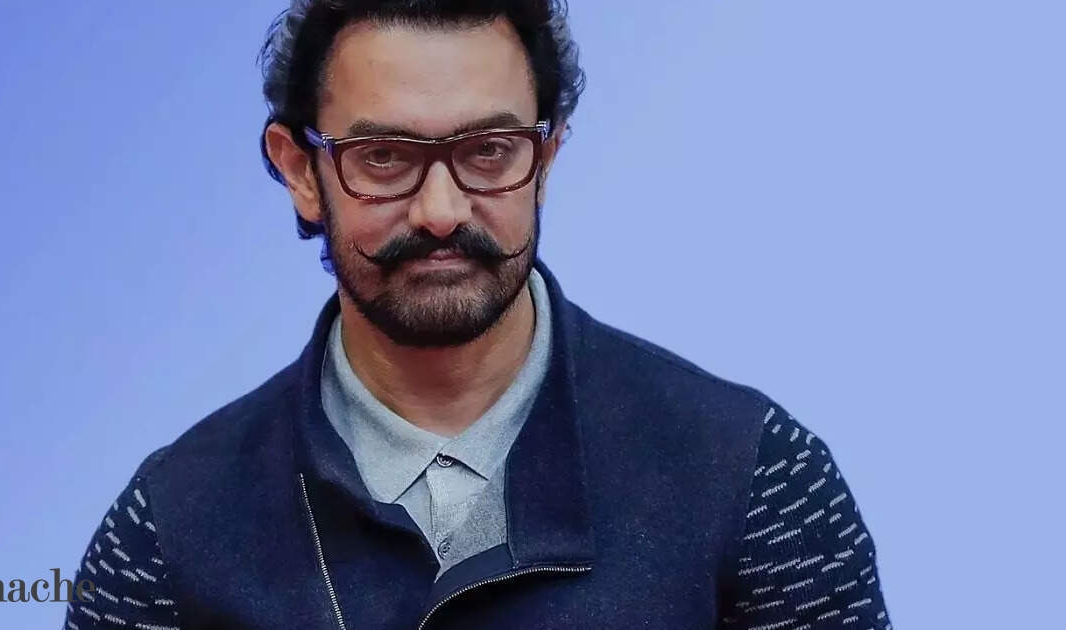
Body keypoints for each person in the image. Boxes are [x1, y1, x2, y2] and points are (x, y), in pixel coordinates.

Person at [64, 1, 891, 628]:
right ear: (301, 172)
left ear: (547, 158)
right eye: (384, 156)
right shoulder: (168, 531)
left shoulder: (755, 479)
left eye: (488, 151)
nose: (440, 210)